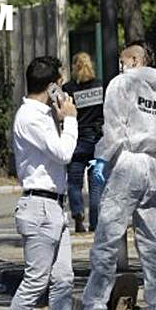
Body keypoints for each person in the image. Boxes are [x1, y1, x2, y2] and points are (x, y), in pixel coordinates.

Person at [0, 56, 105, 310]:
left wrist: (60, 117)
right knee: (36, 280)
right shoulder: (30, 117)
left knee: (63, 279)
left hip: (53, 207)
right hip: (40, 207)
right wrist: (70, 118)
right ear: (52, 85)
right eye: (60, 83)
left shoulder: (42, 114)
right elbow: (63, 153)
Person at [78, 42, 156, 310]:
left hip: (128, 164)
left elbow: (115, 130)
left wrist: (102, 160)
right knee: (151, 240)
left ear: (133, 60)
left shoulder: (122, 84)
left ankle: (95, 302)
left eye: (123, 60)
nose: (120, 65)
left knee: (108, 235)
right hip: (155, 167)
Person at [62, 52, 104, 233]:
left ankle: (78, 216)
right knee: (95, 185)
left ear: (74, 67)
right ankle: (95, 223)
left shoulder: (69, 89)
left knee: (74, 182)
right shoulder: (100, 86)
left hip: (76, 140)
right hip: (96, 139)